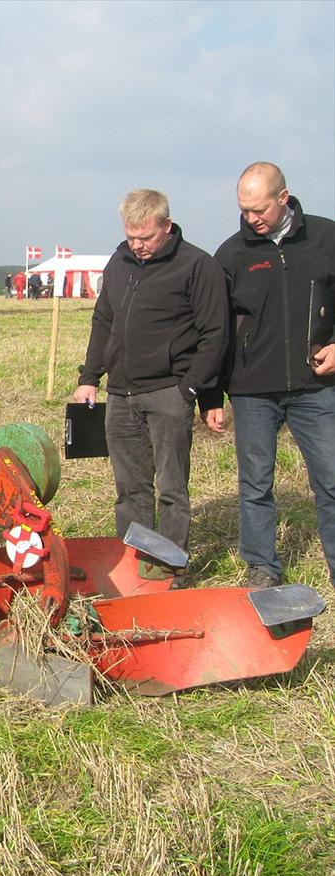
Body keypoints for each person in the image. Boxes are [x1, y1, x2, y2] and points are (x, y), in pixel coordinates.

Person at [73, 189, 228, 571]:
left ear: (167, 226)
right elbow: (104, 321)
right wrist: (90, 376)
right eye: (131, 236)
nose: (138, 245)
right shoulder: (119, 262)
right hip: (121, 395)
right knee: (130, 489)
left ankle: (169, 566)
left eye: (146, 237)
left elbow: (215, 334)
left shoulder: (197, 266)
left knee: (172, 488)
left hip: (168, 393)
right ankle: (134, 563)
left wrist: (190, 388)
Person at [207, 162, 335, 588]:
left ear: (284, 198)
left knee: (331, 480)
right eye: (244, 210)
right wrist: (212, 395)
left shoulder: (325, 238)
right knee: (255, 484)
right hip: (252, 391)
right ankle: (262, 568)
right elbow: (216, 328)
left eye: (259, 209)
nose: (251, 219)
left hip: (316, 387)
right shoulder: (230, 255)